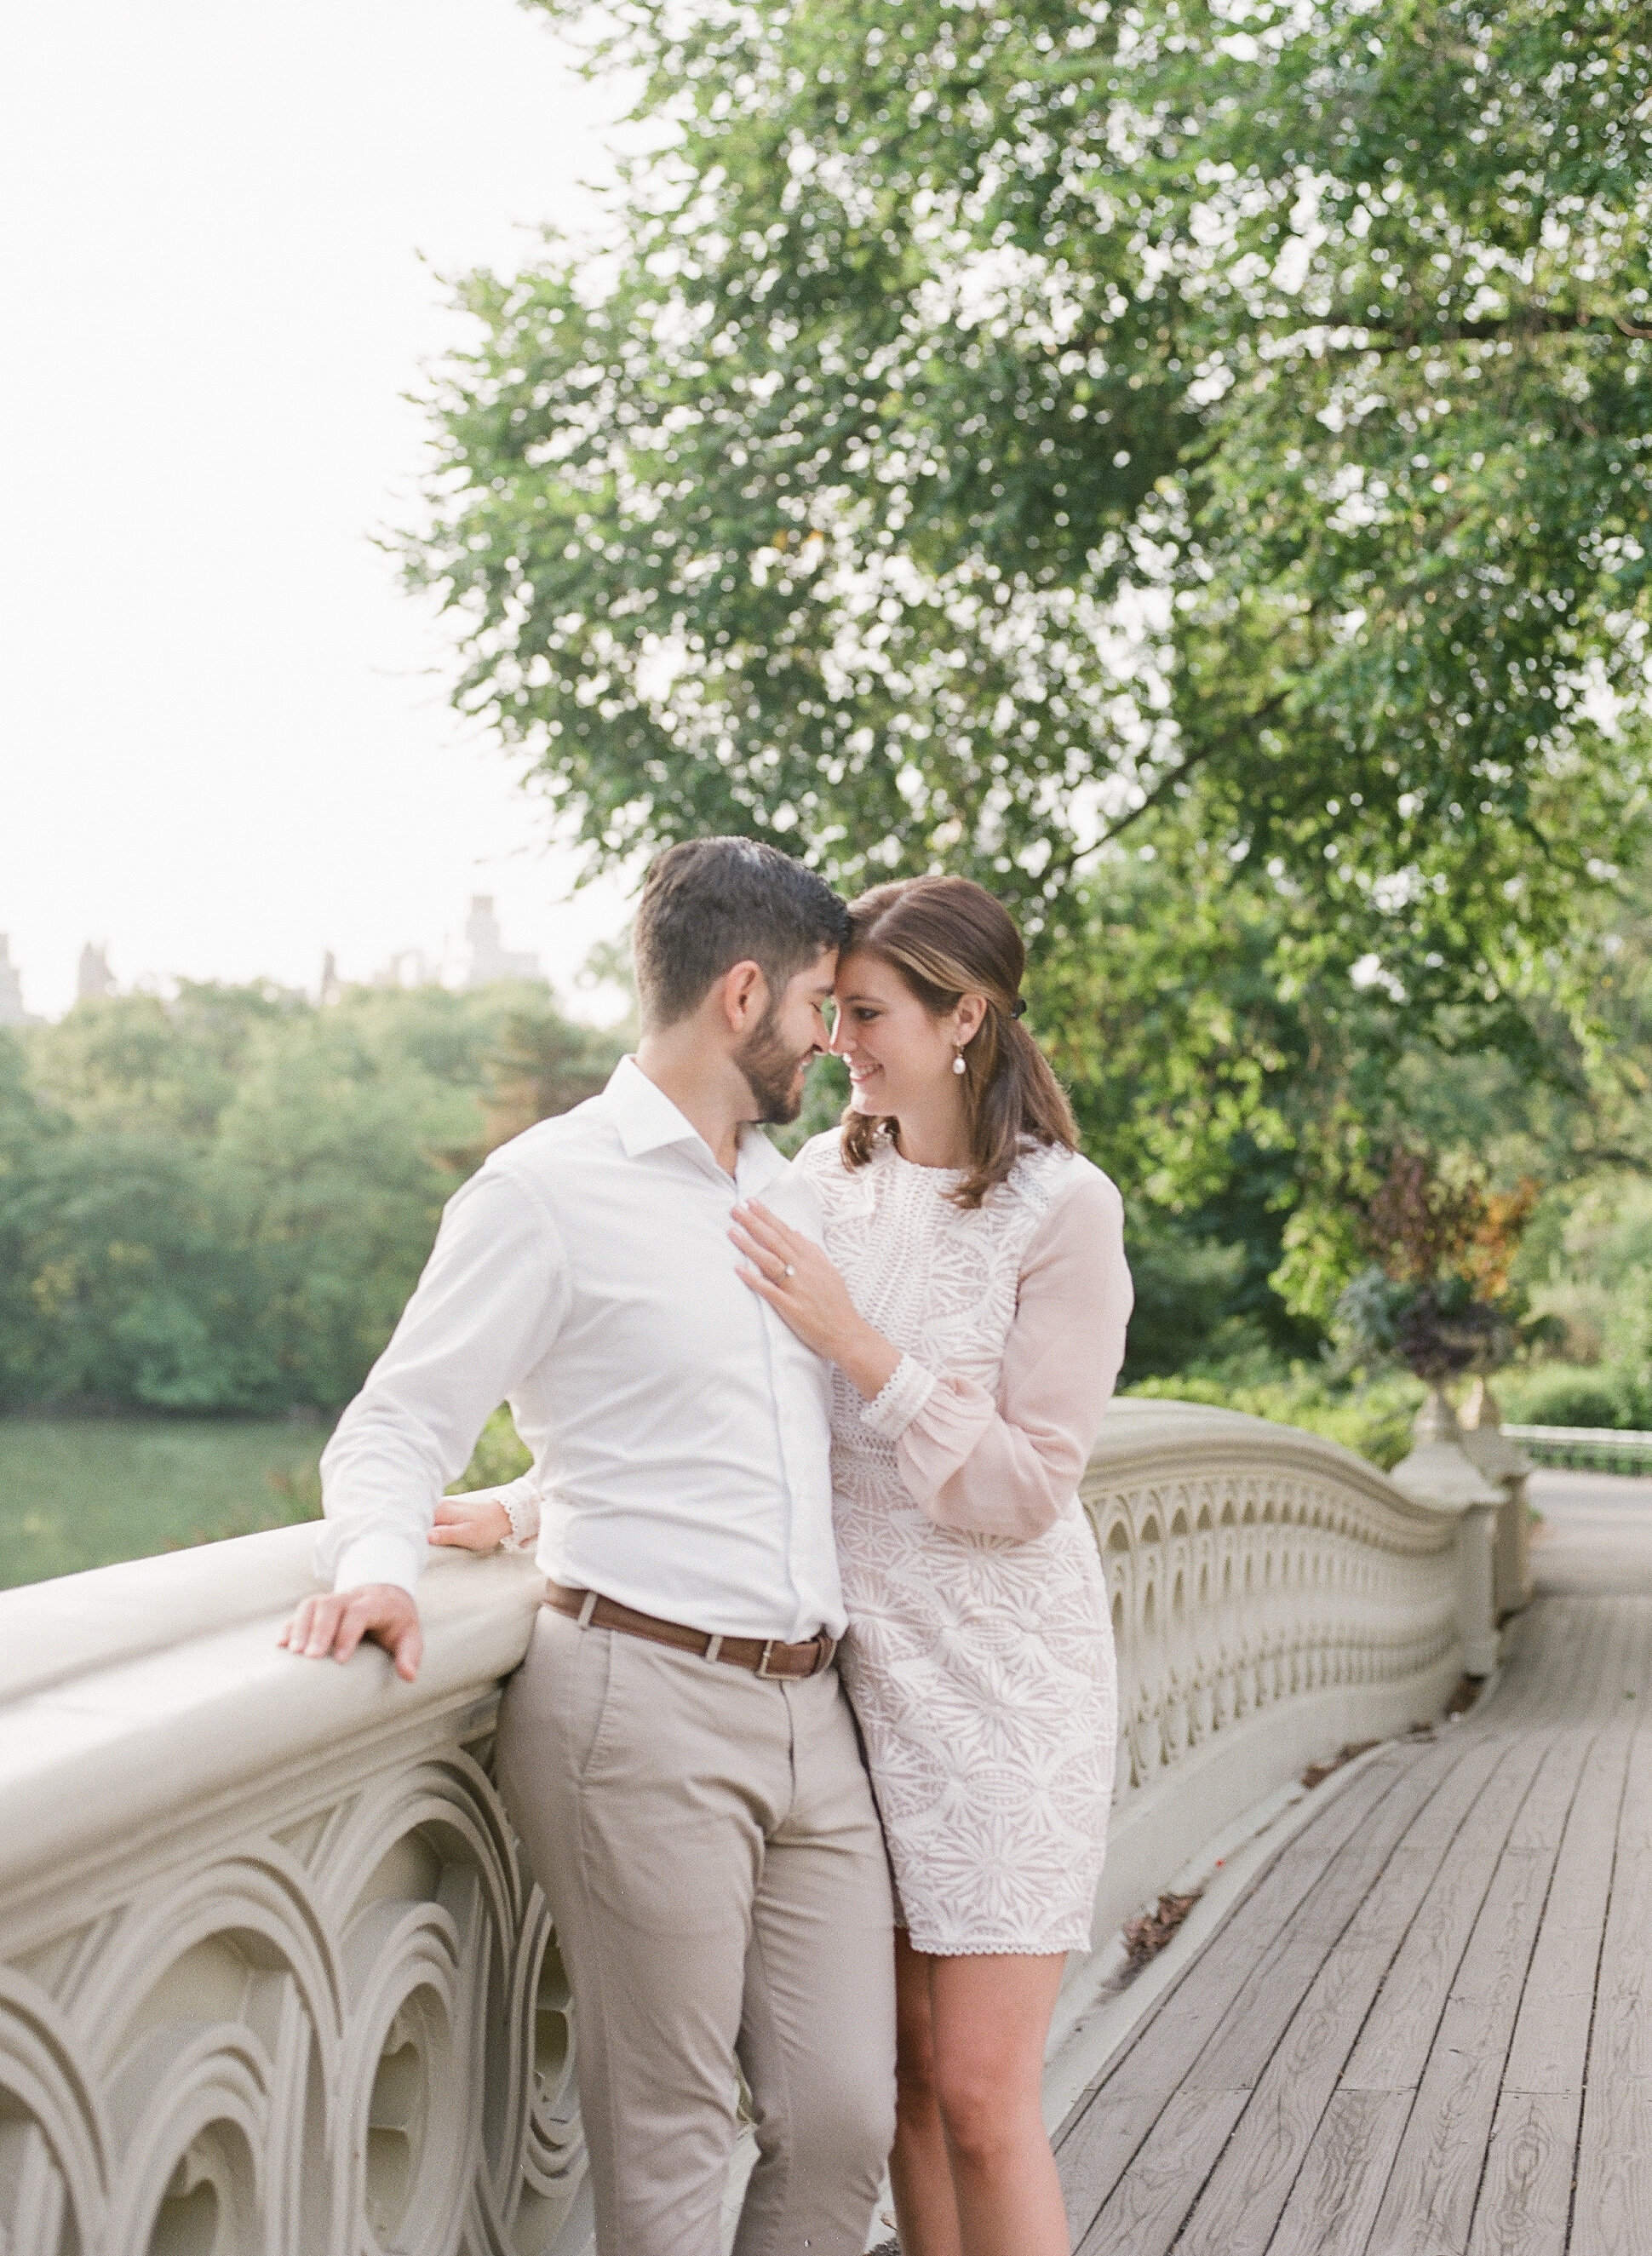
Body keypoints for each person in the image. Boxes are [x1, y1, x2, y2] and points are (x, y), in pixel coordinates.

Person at [278, 836, 898, 2256]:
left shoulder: (787, 1191)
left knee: (846, 2118)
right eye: (817, 1004)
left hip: (817, 1711)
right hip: (643, 1702)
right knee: (671, 2141)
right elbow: (394, 1425)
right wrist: (376, 1564)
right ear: (744, 995)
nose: (826, 1037)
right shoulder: (543, 1192)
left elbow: (726, 1441)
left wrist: (529, 1501)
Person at [727, 875, 1132, 2256]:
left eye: (870, 1011)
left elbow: (1028, 1485)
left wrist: (864, 1349)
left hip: (1010, 1691)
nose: (839, 1036)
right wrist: (534, 1503)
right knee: (897, 2080)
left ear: (966, 1015)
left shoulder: (1065, 1209)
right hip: (860, 1692)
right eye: (831, 1009)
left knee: (977, 2091)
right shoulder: (820, 1182)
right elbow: (718, 1390)